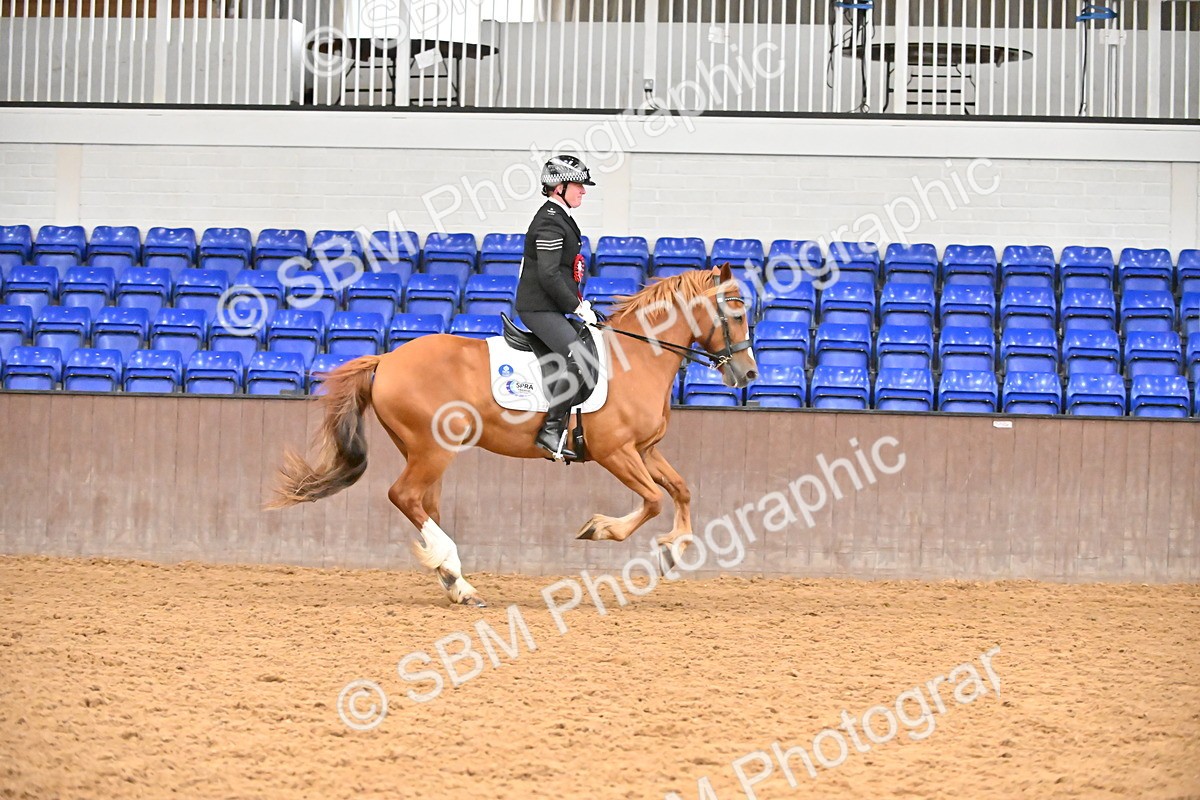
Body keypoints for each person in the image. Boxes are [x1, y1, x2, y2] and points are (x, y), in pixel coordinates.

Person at [516, 155, 600, 460]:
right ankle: (551, 430)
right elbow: (548, 274)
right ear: (558, 187)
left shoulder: (560, 216)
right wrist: (577, 307)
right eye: (578, 185)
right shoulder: (550, 221)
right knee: (579, 357)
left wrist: (581, 305)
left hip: (553, 307)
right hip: (539, 308)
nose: (583, 191)